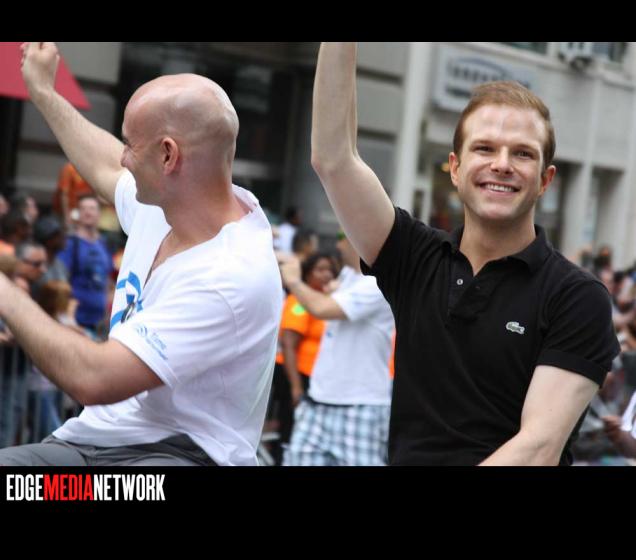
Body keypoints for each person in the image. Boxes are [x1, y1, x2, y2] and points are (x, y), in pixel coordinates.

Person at [310, 43, 620, 466]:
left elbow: (538, 450)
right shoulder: (414, 257)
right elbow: (334, 159)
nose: (502, 164)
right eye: (485, 148)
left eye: (522, 153)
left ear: (545, 180)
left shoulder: (577, 297)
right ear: (455, 168)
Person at [0, 41, 282, 466]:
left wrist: (5, 293)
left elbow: (93, 378)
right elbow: (104, 166)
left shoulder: (231, 274)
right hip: (92, 442)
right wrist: (43, 91)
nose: (124, 158)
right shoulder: (170, 203)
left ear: (168, 155)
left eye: (130, 144)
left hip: (179, 455)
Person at [280, 234, 394, 466]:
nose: (338, 244)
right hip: (318, 402)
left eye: (343, 237)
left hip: (360, 408)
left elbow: (322, 308)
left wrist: (294, 282)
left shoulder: (378, 284)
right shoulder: (348, 276)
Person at [267, 251, 336, 464]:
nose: (326, 275)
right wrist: (296, 387)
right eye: (320, 270)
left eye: (330, 270)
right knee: (291, 430)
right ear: (307, 274)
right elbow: (289, 344)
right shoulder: (300, 301)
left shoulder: (325, 299)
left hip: (315, 377)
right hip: (296, 375)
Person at [57, 194, 113, 336]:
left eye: (92, 208)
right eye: (83, 208)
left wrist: (108, 312)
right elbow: (60, 279)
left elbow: (107, 280)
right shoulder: (70, 244)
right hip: (74, 322)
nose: (88, 212)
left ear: (99, 214)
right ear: (78, 214)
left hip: (100, 323)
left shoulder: (103, 244)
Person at [54, 162, 95, 229]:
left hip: (84, 208)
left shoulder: (91, 169)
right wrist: (66, 215)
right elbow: (64, 194)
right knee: (72, 230)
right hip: (72, 209)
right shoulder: (69, 168)